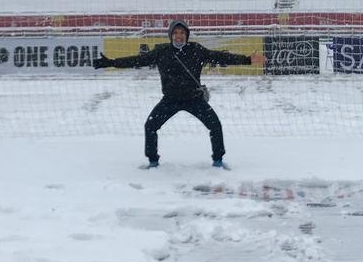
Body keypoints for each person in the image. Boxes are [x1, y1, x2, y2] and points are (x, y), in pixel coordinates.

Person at [93, 19, 252, 168]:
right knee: (150, 126)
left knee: (215, 126)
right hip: (170, 100)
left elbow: (220, 56)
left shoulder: (196, 50)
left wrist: (248, 60)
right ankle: (153, 162)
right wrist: (112, 62)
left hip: (194, 99)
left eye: (182, 33)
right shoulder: (161, 51)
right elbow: (137, 60)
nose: (179, 36)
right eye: (175, 33)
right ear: (171, 35)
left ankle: (218, 161)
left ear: (187, 35)